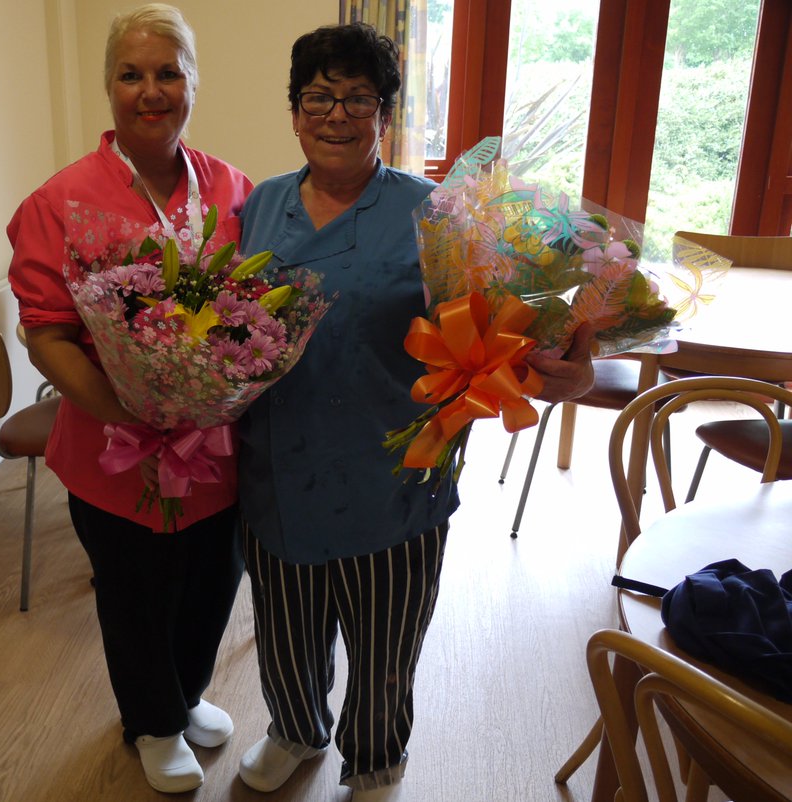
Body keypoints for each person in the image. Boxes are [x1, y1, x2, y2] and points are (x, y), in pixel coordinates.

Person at [233, 23, 595, 802]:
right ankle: (296, 728)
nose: (337, 114)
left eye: (359, 98)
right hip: (278, 468)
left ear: (386, 115)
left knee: (386, 640)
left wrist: (566, 369)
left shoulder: (441, 216)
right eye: (318, 96)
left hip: (397, 471)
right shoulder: (256, 209)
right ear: (294, 111)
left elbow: (509, 338)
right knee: (287, 628)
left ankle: (374, 759)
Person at [6, 4, 252, 795]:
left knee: (212, 583)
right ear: (108, 88)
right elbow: (46, 334)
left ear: (192, 83)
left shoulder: (233, 189)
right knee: (135, 591)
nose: (152, 90)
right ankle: (150, 721)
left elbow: (256, 314)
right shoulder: (60, 200)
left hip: (214, 448)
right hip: (115, 448)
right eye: (131, 74)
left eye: (169, 72)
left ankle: (185, 694)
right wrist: (127, 407)